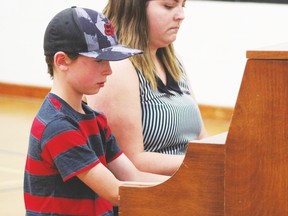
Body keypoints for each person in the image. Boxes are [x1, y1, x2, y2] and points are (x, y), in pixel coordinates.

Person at [23, 6, 169, 216]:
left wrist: (190, 184)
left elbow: (133, 177)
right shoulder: (57, 126)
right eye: (99, 60)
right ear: (62, 61)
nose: (108, 70)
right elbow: (114, 192)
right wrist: (183, 191)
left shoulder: (96, 120)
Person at [85, 0, 208, 176]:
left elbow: (201, 137)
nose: (181, 15)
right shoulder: (118, 67)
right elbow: (129, 163)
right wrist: (205, 161)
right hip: (151, 193)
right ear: (135, 9)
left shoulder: (173, 60)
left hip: (188, 180)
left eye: (183, 5)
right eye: (169, 6)